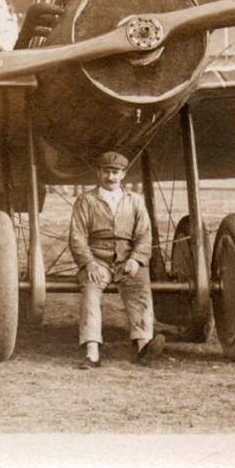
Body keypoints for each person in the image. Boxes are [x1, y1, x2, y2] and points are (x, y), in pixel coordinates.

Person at [68, 150, 166, 369]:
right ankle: (92, 352)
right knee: (91, 293)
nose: (110, 177)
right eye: (106, 171)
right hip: (97, 259)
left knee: (140, 291)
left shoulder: (135, 201)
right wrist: (88, 262)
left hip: (127, 258)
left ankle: (143, 346)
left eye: (115, 172)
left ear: (124, 174)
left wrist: (137, 259)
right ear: (98, 172)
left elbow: (144, 235)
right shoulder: (86, 201)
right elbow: (77, 236)